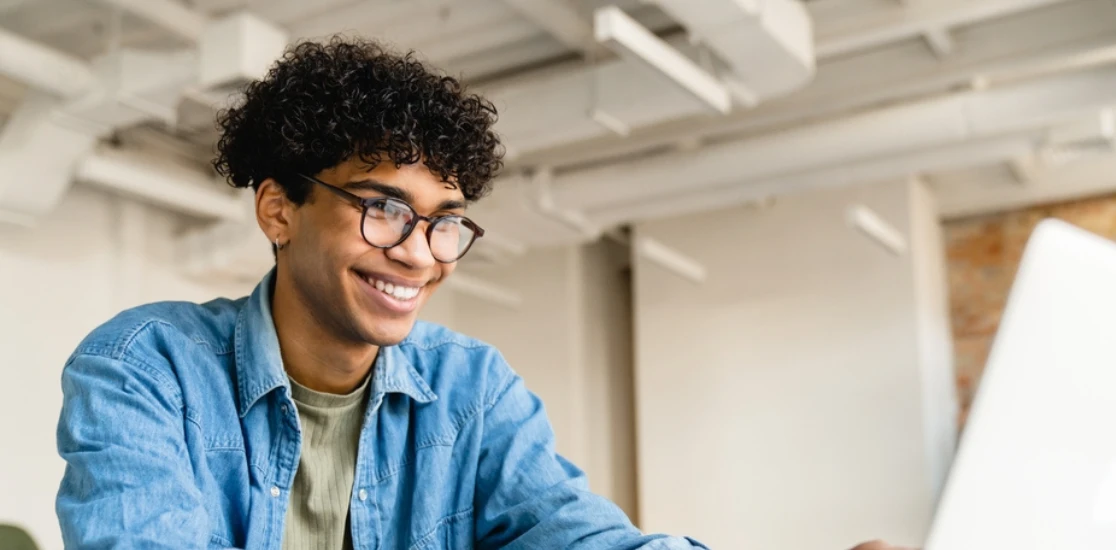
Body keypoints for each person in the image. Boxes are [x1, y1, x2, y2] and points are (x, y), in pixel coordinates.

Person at [54, 37, 911, 550]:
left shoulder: (470, 390)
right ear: (279, 209)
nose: (420, 254)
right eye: (384, 209)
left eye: (444, 222)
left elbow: (582, 539)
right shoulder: (146, 367)